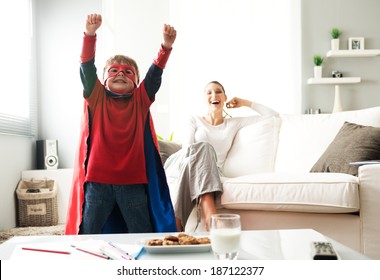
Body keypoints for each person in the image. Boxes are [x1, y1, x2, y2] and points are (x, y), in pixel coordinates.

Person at [65, 13, 178, 235]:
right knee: (87, 235)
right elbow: (86, 67)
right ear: (104, 79)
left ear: (136, 82)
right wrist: (89, 35)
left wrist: (165, 47)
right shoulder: (96, 97)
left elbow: (154, 75)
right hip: (97, 184)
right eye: (114, 71)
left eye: (128, 72)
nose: (120, 74)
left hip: (133, 184)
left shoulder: (140, 100)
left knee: (142, 235)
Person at [164, 81, 279, 231]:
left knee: (205, 150)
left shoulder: (233, 123)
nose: (214, 95)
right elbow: (188, 150)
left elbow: (273, 115)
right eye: (209, 92)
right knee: (204, 148)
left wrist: (244, 103)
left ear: (225, 98)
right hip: (183, 162)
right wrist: (203, 155)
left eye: (218, 92)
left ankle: (176, 223)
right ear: (204, 98)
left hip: (212, 172)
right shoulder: (194, 120)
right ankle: (210, 216)